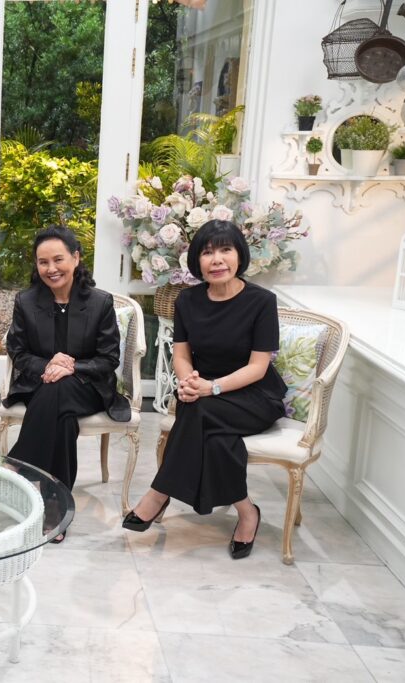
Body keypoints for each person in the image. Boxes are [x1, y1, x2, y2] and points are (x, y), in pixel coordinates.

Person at [123, 220, 286, 560]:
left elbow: (258, 368)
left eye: (226, 250)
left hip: (254, 395)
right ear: (197, 260)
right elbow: (181, 355)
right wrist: (187, 382)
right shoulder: (187, 300)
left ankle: (159, 492)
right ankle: (247, 512)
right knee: (214, 437)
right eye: (208, 252)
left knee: (197, 410)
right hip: (203, 390)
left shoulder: (261, 302)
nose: (217, 260)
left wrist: (211, 387)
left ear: (240, 255)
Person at [4, 226, 131, 541]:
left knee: (60, 388)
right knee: (62, 417)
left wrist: (72, 367)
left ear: (75, 258)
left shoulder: (100, 303)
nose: (51, 268)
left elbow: (108, 359)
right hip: (42, 385)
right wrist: (50, 365)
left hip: (89, 386)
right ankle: (55, 504)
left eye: (58, 259)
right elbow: (18, 353)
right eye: (43, 262)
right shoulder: (26, 301)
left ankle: (18, 465)